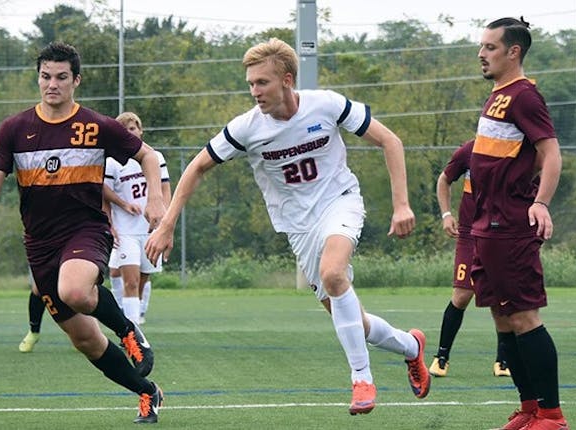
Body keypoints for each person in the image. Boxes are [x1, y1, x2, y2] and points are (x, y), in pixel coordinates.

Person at [145, 38, 430, 416]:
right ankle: (411, 348)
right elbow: (197, 166)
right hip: (298, 227)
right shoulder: (246, 128)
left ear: (287, 80)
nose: (254, 91)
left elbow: (390, 141)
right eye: (250, 83)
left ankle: (361, 378)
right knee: (352, 320)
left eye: (262, 82)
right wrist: (166, 225)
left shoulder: (326, 105)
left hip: (340, 201)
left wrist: (401, 205)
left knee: (333, 273)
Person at [0, 42, 165, 424]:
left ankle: (129, 332)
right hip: (39, 245)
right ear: (38, 78)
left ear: (76, 80)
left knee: (73, 290)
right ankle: (148, 393)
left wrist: (156, 199)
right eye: (45, 77)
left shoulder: (96, 125)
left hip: (86, 230)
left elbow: (148, 156)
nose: (51, 85)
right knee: (86, 340)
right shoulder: (14, 129)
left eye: (60, 77)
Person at [471, 17, 567, 430]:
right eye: (482, 46)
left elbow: (552, 153)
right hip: (485, 223)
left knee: (525, 318)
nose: (481, 53)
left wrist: (541, 203)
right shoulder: (498, 94)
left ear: (514, 52)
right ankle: (529, 409)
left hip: (510, 223)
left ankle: (552, 415)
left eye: (491, 47)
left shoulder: (526, 96)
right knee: (502, 316)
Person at [429, 140, 510, 378]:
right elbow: (444, 179)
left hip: (500, 235)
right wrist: (446, 215)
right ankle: (441, 357)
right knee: (462, 294)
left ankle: (502, 361)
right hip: (469, 234)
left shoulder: (516, 151)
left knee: (500, 297)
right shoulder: (469, 150)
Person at [103, 112, 172, 325]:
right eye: (123, 130)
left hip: (150, 230)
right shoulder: (113, 162)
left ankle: (135, 314)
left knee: (143, 279)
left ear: (140, 131)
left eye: (132, 129)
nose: (129, 133)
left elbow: (165, 189)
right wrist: (119, 210)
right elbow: (102, 191)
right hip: (125, 232)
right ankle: (132, 333)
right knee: (129, 282)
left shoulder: (155, 157)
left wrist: (166, 224)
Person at [19, 268, 47, 353]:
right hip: (45, 255)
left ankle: (78, 331)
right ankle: (34, 331)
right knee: (38, 288)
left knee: (74, 287)